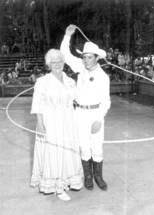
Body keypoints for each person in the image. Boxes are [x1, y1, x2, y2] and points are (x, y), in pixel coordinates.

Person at [60, 25, 111, 191]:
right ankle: (87, 176)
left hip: (95, 113)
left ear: (96, 58)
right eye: (84, 57)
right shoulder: (80, 68)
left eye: (90, 57)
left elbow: (106, 100)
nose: (86, 60)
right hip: (79, 113)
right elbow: (65, 55)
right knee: (83, 145)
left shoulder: (103, 77)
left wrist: (99, 119)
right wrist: (67, 36)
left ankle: (98, 176)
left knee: (96, 145)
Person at [30, 49, 83, 201]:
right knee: (55, 153)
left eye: (59, 61)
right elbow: (37, 104)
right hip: (51, 122)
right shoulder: (42, 82)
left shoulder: (70, 81)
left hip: (69, 121)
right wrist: (40, 124)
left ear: (64, 62)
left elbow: (78, 99)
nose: (57, 64)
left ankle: (66, 182)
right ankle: (57, 187)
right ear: (48, 64)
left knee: (68, 151)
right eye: (53, 62)